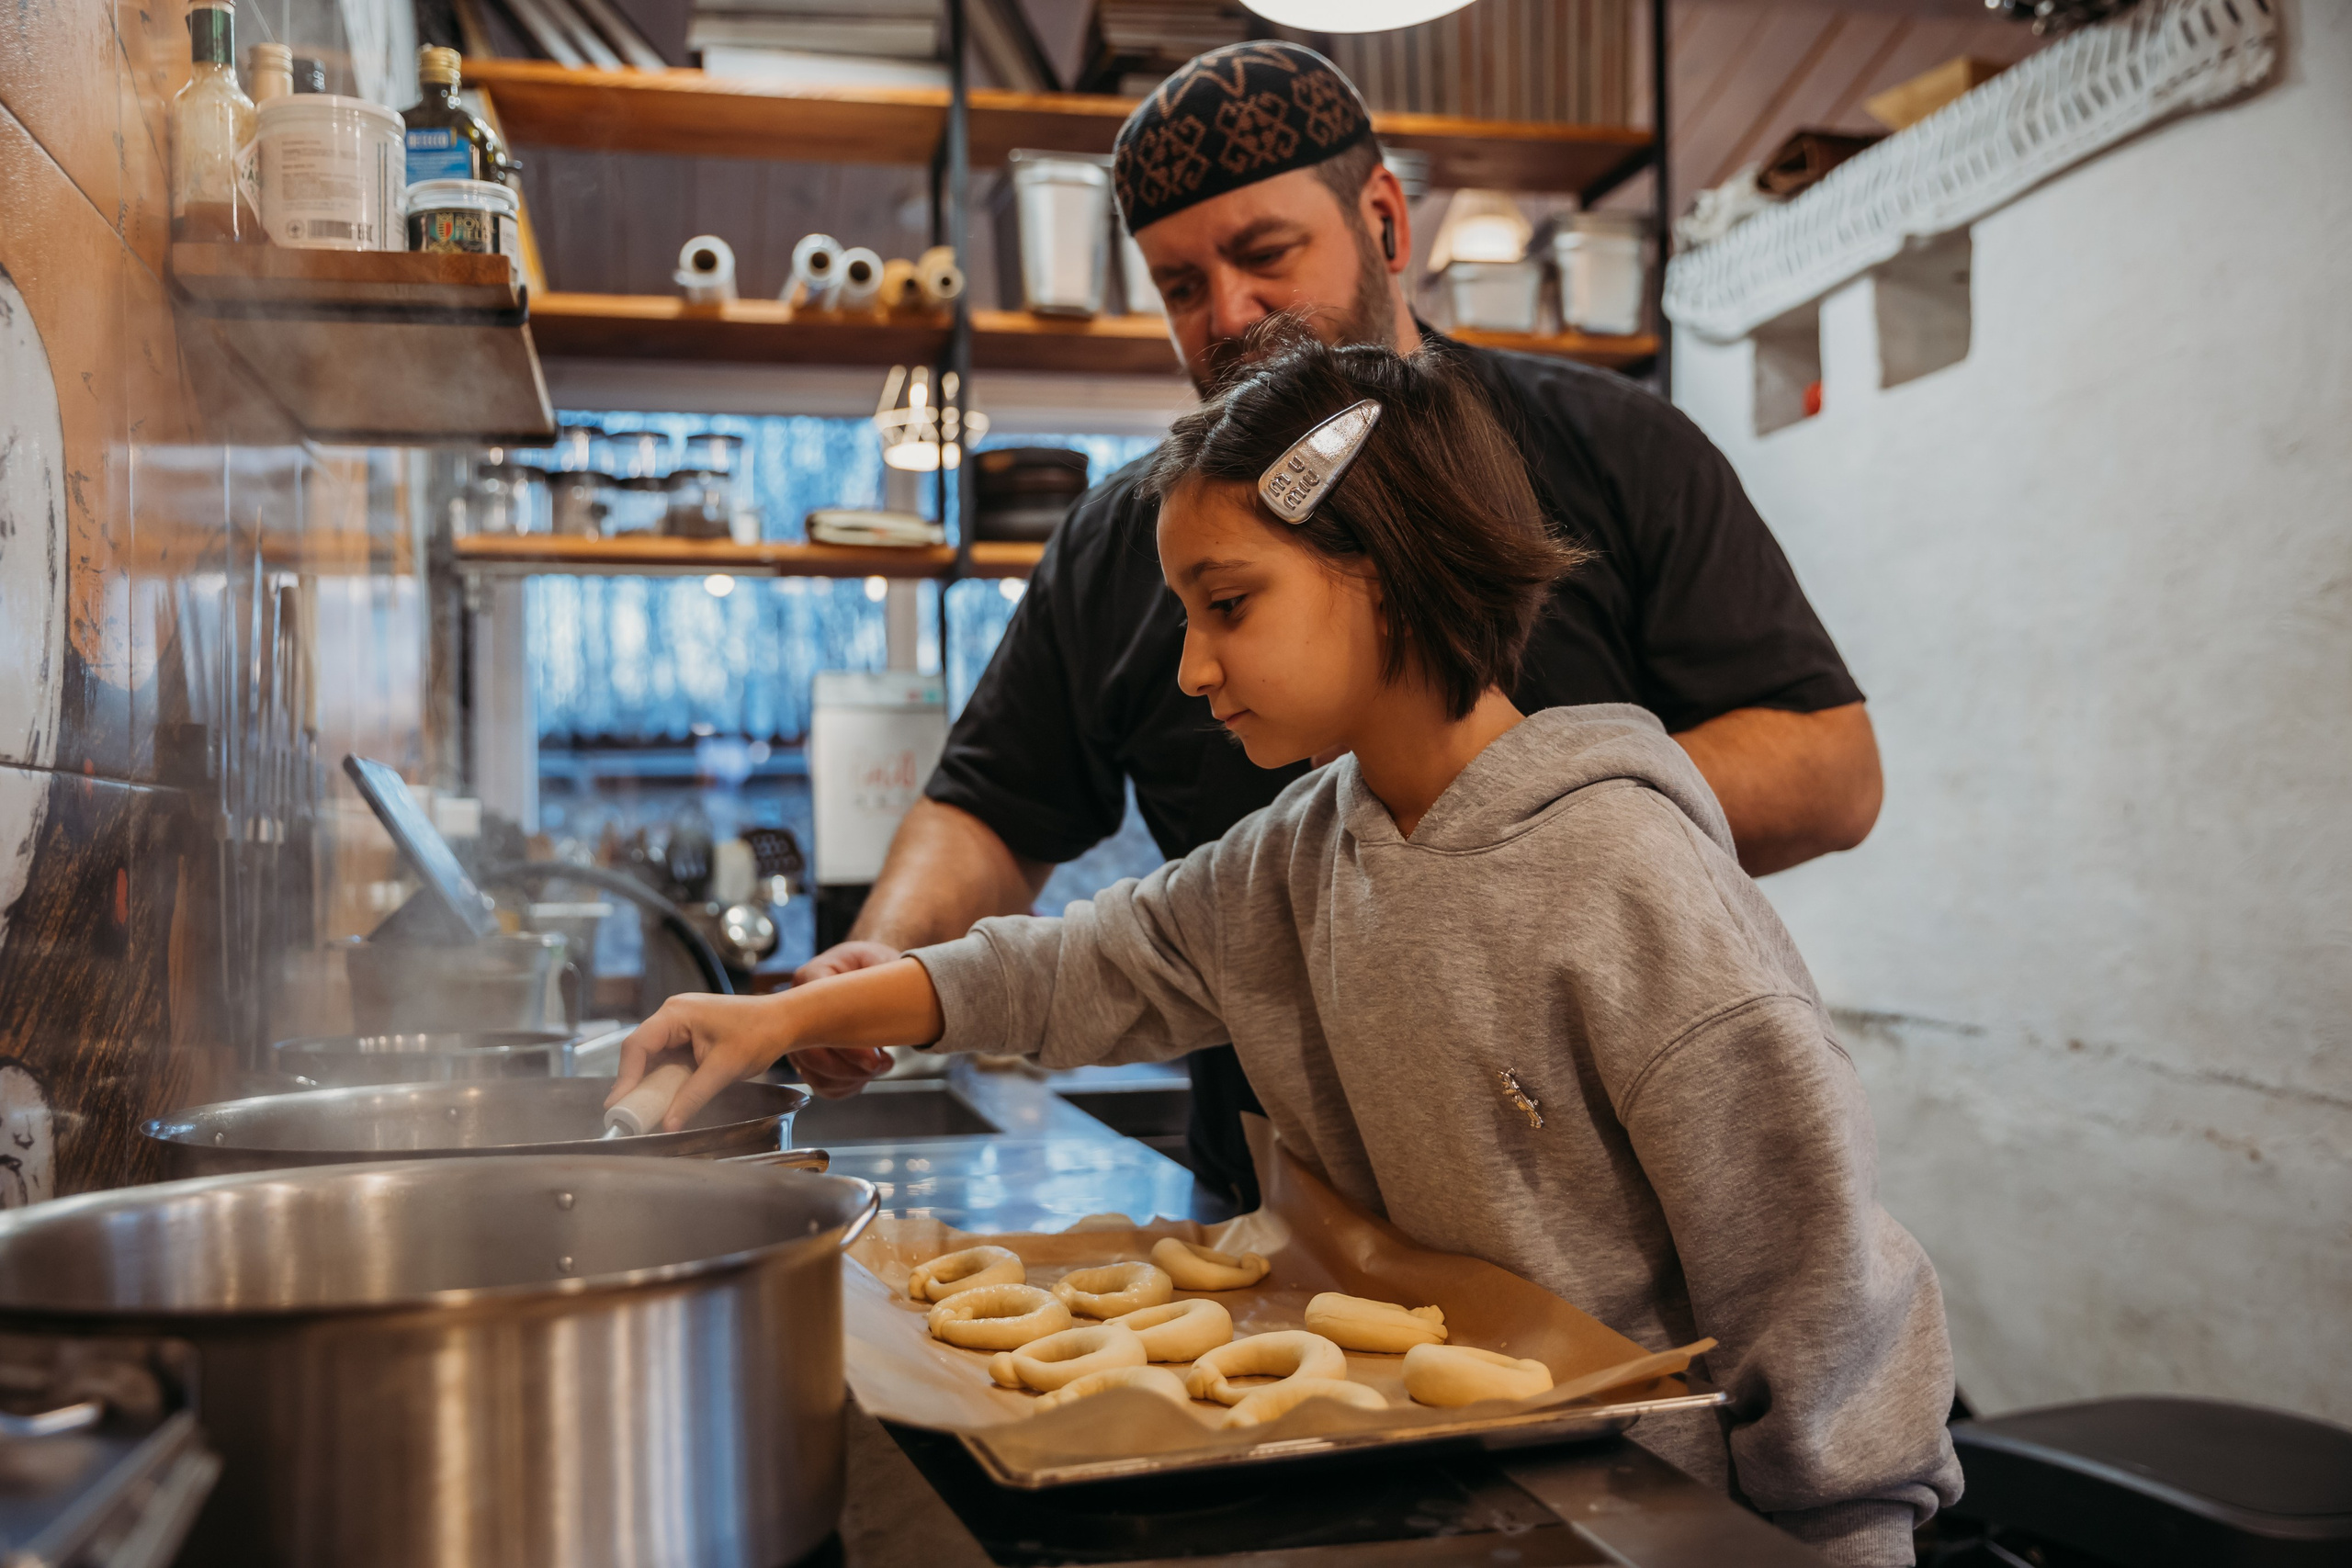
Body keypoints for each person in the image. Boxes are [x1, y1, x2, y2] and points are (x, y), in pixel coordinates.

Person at [611, 331, 1961, 1566]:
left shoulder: (1628, 881)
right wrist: (787, 1019)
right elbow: (1090, 964)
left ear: (1387, 576)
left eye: (1229, 604)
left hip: (1641, 1524)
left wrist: (1845, 1539)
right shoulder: (1309, 847)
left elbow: (1819, 1305)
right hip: (1438, 1495)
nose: (1191, 668)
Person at [797, 39, 1884, 1210]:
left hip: (1584, 1238)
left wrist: (1502, 830)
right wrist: (881, 963)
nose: (1228, 313)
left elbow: (1829, 769)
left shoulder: (1617, 450)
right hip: (1270, 1221)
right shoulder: (1122, 545)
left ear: (1384, 220)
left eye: (1266, 254)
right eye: (1179, 285)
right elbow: (994, 808)